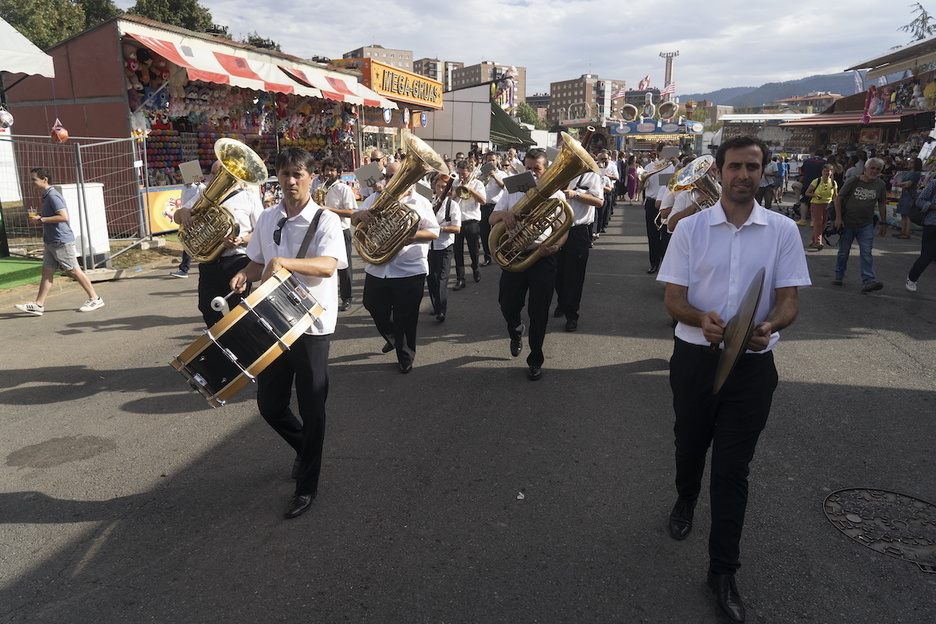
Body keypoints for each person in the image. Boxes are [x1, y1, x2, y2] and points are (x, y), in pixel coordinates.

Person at [657, 135, 811, 624]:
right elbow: (673, 299)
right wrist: (700, 316)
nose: (743, 174)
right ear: (718, 172)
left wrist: (770, 325)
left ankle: (722, 572)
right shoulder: (689, 228)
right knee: (689, 443)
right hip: (695, 357)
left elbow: (789, 299)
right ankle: (685, 495)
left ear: (763, 171)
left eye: (752, 166)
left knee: (732, 469)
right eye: (735, 167)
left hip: (752, 366)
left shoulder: (783, 230)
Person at [229, 147, 347, 520]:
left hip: (312, 326)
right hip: (273, 322)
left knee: (314, 409)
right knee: (270, 405)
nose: (290, 181)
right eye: (284, 175)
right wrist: (245, 274)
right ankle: (305, 448)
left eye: (298, 174)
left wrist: (285, 263)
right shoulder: (267, 218)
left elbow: (328, 267)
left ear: (312, 177)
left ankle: (307, 486)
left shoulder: (325, 220)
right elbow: (258, 261)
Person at [352, 161, 439, 373]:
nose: (391, 181)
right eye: (388, 176)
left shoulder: (421, 202)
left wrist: (412, 235)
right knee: (372, 304)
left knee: (406, 316)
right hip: (378, 268)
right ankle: (392, 335)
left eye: (395, 176)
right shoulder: (375, 198)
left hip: (409, 269)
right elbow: (354, 218)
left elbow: (434, 232)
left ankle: (405, 355)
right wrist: (360, 215)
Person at [490, 148, 567, 381]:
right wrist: (504, 215)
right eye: (529, 169)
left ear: (546, 170)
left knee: (539, 311)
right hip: (514, 253)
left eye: (537, 169)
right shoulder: (511, 188)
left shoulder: (557, 195)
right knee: (507, 304)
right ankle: (515, 330)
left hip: (542, 256)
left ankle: (536, 358)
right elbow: (492, 218)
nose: (532, 174)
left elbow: (564, 228)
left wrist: (556, 246)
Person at [173, 160, 263, 327]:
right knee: (207, 307)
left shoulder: (249, 198)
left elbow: (260, 233)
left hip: (237, 261)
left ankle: (241, 345)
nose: (216, 178)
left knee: (239, 311)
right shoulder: (204, 195)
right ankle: (222, 343)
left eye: (222, 174)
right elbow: (177, 218)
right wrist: (183, 212)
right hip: (209, 262)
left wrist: (241, 240)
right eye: (214, 174)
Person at [15, 168, 105, 316]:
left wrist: (41, 219)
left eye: (34, 179)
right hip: (51, 240)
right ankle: (38, 305)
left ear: (45, 179)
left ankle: (95, 298)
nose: (31, 182)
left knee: (74, 270)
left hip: (61, 240)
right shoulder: (46, 196)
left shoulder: (53, 196)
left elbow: (64, 217)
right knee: (47, 271)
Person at [554, 166, 603, 331]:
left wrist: (577, 194)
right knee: (556, 272)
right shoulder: (557, 172)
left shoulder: (591, 176)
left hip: (577, 231)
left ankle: (572, 314)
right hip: (555, 229)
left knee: (574, 276)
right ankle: (562, 301)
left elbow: (599, 201)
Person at [833, 157, 888, 293]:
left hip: (866, 224)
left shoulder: (880, 185)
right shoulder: (854, 181)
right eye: (872, 168)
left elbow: (882, 203)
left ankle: (868, 281)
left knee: (866, 253)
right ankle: (839, 275)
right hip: (848, 223)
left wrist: (884, 222)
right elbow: (839, 198)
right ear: (865, 168)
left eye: (877, 169)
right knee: (843, 253)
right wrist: (838, 218)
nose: (874, 171)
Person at [313, 157, 357, 311]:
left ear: (338, 173)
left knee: (344, 268)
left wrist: (327, 209)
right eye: (327, 170)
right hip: (321, 230)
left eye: (332, 170)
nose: (329, 173)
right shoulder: (317, 185)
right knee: (322, 266)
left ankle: (347, 298)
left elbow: (352, 212)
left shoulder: (344, 189)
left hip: (340, 230)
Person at [426, 175, 461, 321]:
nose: (440, 189)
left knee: (441, 278)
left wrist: (439, 229)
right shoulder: (429, 203)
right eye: (438, 186)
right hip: (429, 246)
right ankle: (436, 306)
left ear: (448, 189)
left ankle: (441, 310)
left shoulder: (452, 205)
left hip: (444, 246)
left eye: (443, 187)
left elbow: (457, 228)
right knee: (431, 278)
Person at [451, 159, 486, 290]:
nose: (461, 176)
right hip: (457, 221)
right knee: (457, 251)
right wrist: (456, 192)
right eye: (459, 173)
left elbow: (483, 201)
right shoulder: (455, 183)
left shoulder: (478, 184)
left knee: (474, 249)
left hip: (472, 221)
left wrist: (471, 190)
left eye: (464, 174)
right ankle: (460, 278)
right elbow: (450, 201)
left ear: (470, 172)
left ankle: (475, 267)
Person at [642, 158, 676, 274]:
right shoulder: (649, 167)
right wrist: (643, 181)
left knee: (666, 235)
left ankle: (665, 265)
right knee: (653, 235)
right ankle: (654, 263)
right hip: (652, 201)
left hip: (669, 200)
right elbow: (642, 185)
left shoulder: (672, 166)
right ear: (660, 152)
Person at [170, 174, 206, 278]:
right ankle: (184, 268)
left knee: (192, 243)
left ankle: (184, 269)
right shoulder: (184, 187)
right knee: (188, 243)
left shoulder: (200, 187)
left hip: (197, 217)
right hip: (187, 217)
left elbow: (198, 202)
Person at [905, 176, 936, 292]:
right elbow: (920, 201)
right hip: (933, 224)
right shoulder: (934, 184)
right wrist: (933, 206)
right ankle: (912, 278)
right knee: (927, 256)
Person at [480, 152, 507, 266]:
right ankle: (487, 257)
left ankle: (501, 254)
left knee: (499, 233)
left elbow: (504, 187)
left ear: (497, 161)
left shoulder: (502, 174)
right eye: (489, 160)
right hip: (484, 206)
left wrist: (494, 176)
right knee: (484, 233)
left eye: (493, 160)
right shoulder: (481, 174)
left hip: (497, 207)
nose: (491, 162)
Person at [804, 164, 837, 251]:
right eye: (824, 171)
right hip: (816, 204)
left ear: (831, 172)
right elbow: (807, 193)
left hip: (827, 205)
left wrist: (836, 207)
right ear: (822, 172)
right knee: (818, 223)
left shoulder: (833, 183)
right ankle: (818, 242)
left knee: (823, 224)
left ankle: (813, 240)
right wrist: (814, 195)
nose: (826, 173)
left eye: (828, 171)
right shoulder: (816, 181)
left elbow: (835, 197)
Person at [894, 157, 922, 239]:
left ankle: (907, 232)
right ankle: (903, 230)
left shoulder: (916, 173)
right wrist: (904, 183)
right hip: (904, 193)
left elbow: (908, 185)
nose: (910, 164)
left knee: (908, 213)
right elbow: (898, 183)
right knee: (903, 213)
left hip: (910, 193)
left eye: (912, 162)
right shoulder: (907, 173)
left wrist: (903, 183)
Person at [797, 149, 826, 226]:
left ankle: (802, 220)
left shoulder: (807, 161)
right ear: (822, 155)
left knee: (804, 201)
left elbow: (802, 171)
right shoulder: (824, 162)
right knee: (816, 203)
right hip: (819, 184)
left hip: (807, 183)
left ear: (814, 154)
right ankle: (813, 221)